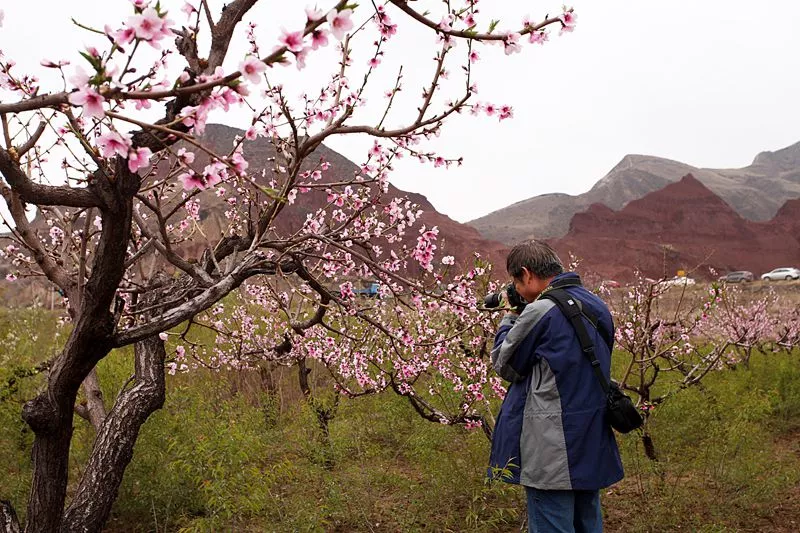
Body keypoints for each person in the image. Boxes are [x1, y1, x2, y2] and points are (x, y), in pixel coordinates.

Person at [488, 240, 623, 533]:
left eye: (515, 281)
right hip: (590, 434)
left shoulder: (541, 311)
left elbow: (505, 364)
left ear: (526, 274)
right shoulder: (596, 304)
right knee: (588, 521)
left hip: (551, 446)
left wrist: (510, 316)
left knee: (552, 521)